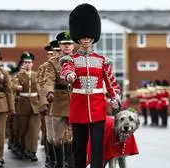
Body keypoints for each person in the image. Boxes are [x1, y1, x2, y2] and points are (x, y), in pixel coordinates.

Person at [60, 3, 121, 168]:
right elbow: (66, 70)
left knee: (97, 146)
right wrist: (69, 75)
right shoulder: (70, 59)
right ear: (78, 39)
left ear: (93, 38)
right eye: (82, 38)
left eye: (88, 37)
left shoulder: (102, 60)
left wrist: (115, 97)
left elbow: (111, 82)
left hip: (97, 107)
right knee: (79, 146)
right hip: (79, 107)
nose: (85, 40)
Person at [43, 31, 75, 168]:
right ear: (60, 46)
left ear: (73, 46)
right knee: (57, 138)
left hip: (76, 101)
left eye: (69, 44)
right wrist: (49, 92)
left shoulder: (79, 60)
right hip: (58, 100)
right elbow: (48, 79)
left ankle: (71, 163)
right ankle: (59, 163)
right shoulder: (52, 63)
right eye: (64, 44)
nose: (67, 46)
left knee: (73, 137)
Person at [12, 51, 41, 161]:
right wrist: (16, 87)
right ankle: (22, 149)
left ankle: (32, 151)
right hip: (22, 104)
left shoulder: (36, 75)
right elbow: (12, 84)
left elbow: (41, 88)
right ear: (23, 64)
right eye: (25, 62)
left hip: (35, 104)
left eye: (29, 62)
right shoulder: (19, 75)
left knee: (34, 130)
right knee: (22, 129)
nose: (28, 64)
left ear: (32, 64)